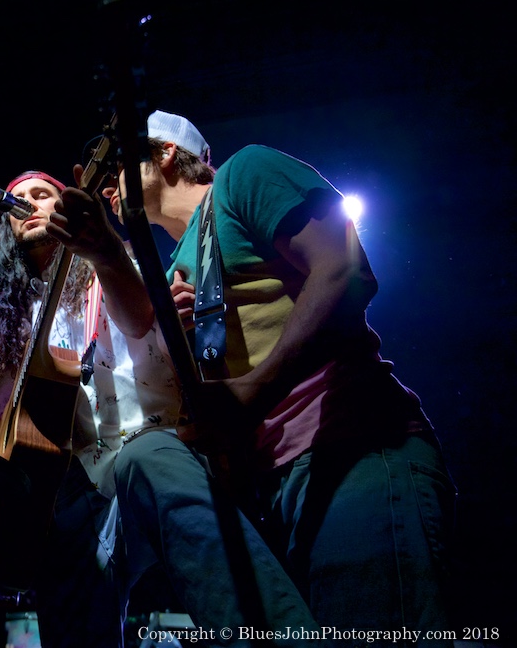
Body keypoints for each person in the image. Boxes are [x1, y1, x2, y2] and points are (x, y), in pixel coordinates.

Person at [102, 109, 457, 643]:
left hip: (349, 448)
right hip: (264, 487)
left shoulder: (247, 172)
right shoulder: (176, 266)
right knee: (144, 462)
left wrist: (254, 387)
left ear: (167, 153)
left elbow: (345, 270)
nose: (109, 180)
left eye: (120, 163)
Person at [0, 169, 319, 647]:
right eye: (18, 201)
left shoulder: (114, 267)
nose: (31, 205)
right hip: (72, 475)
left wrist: (108, 258)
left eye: (43, 195)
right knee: (76, 623)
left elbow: (139, 317)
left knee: (212, 567)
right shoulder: (4, 305)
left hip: (152, 446)